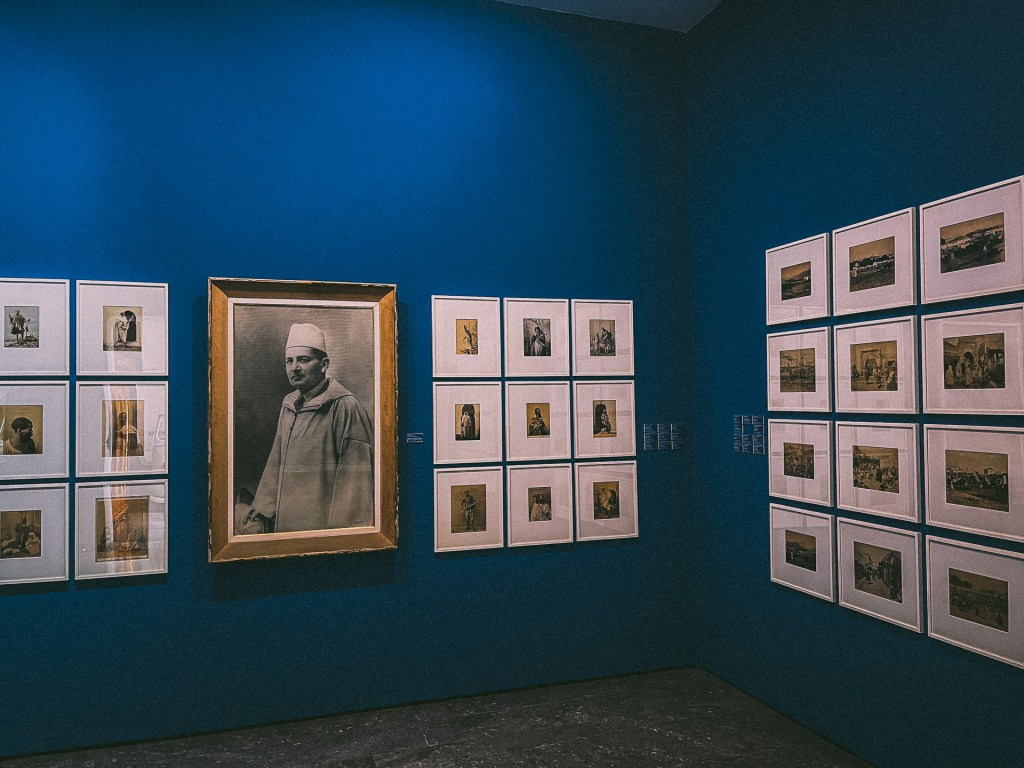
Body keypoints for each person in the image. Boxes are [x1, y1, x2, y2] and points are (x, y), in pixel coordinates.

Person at [245, 323, 374, 533]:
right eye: (290, 361)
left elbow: (355, 478)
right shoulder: (289, 404)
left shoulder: (345, 406)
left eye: (303, 360)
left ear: (323, 365)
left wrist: (343, 533)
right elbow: (276, 457)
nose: (294, 367)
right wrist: (264, 504)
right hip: (286, 519)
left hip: (321, 524)